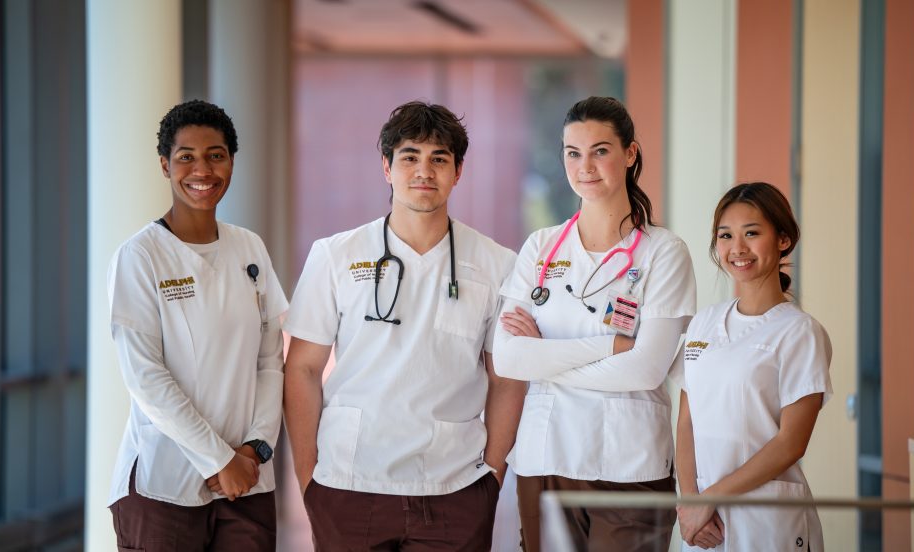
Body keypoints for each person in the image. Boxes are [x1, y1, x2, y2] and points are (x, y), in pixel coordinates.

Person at [283, 100, 523, 551]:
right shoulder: (335, 255)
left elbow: (506, 377)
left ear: (458, 172)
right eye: (410, 157)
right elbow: (302, 369)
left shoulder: (496, 264)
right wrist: (308, 476)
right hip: (348, 483)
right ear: (386, 168)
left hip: (454, 488)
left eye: (439, 159)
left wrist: (492, 474)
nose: (424, 171)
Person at [492, 96, 697, 551]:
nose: (585, 166)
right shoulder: (540, 246)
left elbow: (646, 369)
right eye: (573, 152)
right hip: (545, 458)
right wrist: (610, 347)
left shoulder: (663, 252)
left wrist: (542, 357)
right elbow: (507, 358)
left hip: (629, 463)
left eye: (600, 150)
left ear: (631, 154)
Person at [106, 100, 287, 550]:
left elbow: (270, 358)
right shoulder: (140, 256)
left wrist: (254, 449)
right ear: (165, 165)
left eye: (216, 154)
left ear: (230, 161)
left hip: (247, 481)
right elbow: (146, 377)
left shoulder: (249, 247)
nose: (201, 169)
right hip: (163, 483)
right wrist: (217, 458)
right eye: (186, 156)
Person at [675, 182, 833, 550]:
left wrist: (710, 497)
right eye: (725, 235)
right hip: (704, 525)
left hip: (766, 521)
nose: (738, 248)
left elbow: (791, 443)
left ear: (782, 239)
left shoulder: (799, 331)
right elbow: (687, 421)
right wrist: (690, 501)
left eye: (752, 233)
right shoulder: (703, 323)